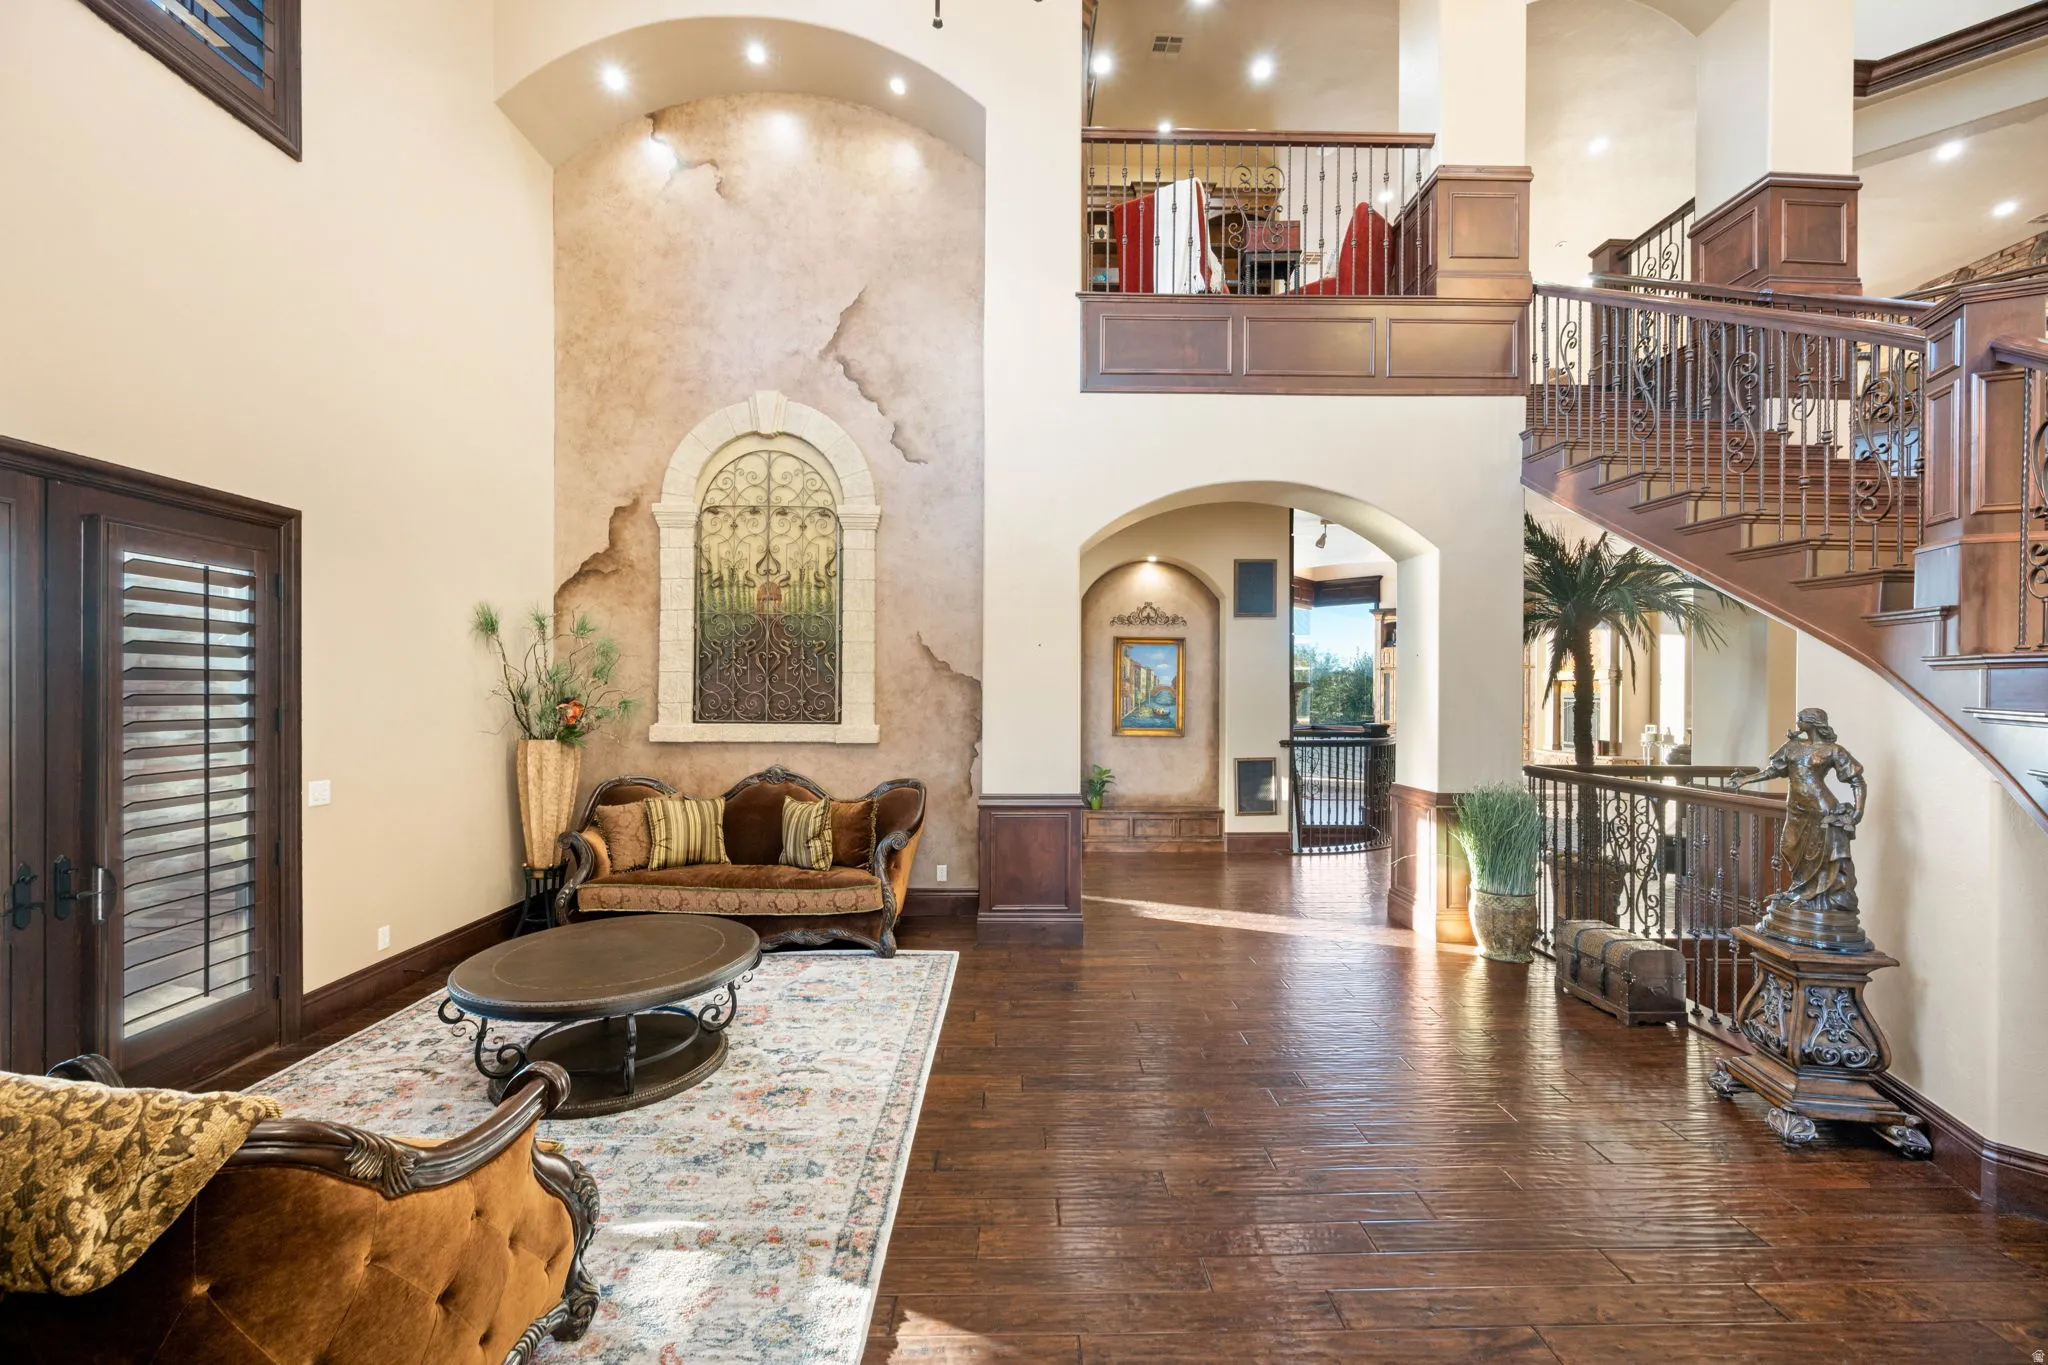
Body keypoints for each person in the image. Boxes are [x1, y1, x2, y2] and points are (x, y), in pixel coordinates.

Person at [1732, 707, 1871, 951]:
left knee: (1821, 856)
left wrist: (1857, 812)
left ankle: (1817, 899)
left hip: (1821, 808)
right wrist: (1746, 780)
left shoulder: (1833, 751)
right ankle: (1801, 893)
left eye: (1800, 719)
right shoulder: (1793, 747)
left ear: (1812, 723)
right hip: (1796, 809)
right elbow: (1773, 770)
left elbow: (1856, 780)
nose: (1796, 723)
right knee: (1789, 847)